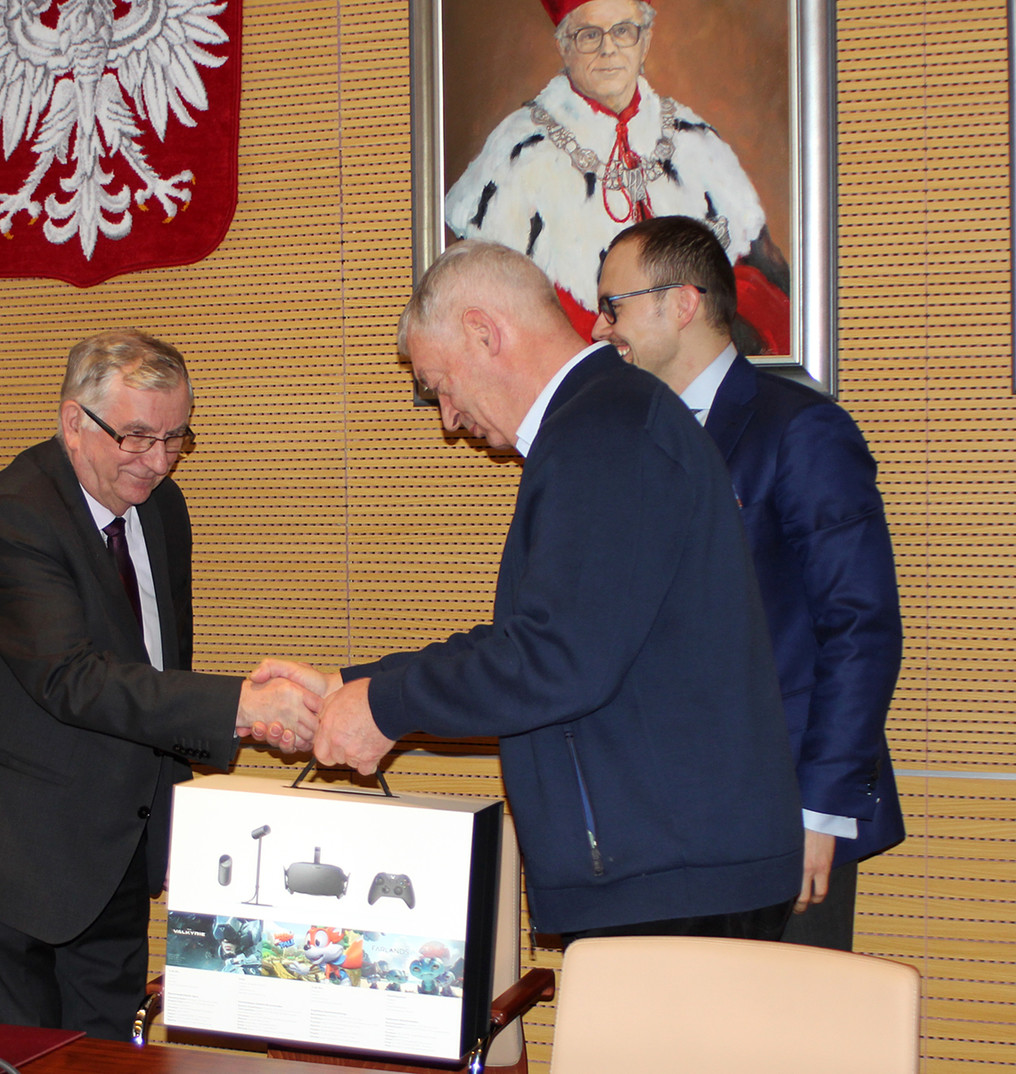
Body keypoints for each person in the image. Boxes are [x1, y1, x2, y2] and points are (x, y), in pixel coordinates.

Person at [260, 240, 804, 941]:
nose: (448, 418)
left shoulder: (605, 433)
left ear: (484, 332)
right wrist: (353, 685)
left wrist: (386, 708)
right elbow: (532, 639)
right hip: (671, 867)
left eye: (440, 385)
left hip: (673, 881)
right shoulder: (605, 422)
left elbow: (558, 660)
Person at [0, 329, 318, 1038]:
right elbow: (74, 679)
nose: (157, 461)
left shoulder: (161, 508)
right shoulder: (14, 517)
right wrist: (240, 705)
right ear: (74, 422)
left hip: (115, 854)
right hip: (11, 862)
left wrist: (189, 795)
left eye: (175, 438)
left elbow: (158, 668)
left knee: (108, 1059)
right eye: (137, 438)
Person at [592, 214, 905, 950]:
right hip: (657, 820)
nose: (602, 328)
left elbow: (859, 626)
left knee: (785, 1017)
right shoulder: (620, 437)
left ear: (682, 303)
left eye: (614, 306)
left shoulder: (800, 430)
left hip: (784, 810)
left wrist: (821, 811)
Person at [444, 0, 789, 351]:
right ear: (563, 47)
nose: (608, 49)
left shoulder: (693, 137)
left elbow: (764, 274)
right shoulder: (520, 148)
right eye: (589, 35)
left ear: (646, 41)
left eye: (623, 31)